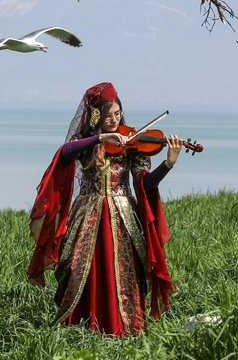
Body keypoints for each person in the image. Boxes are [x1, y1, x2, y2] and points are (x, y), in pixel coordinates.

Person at [26, 81, 194, 336]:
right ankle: (80, 327)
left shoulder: (133, 141)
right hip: (88, 211)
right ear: (97, 117)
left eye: (118, 113)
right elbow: (66, 152)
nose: (115, 119)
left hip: (122, 213)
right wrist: (103, 138)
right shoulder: (86, 143)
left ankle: (123, 327)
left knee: (125, 270)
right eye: (109, 115)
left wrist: (168, 164)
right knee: (77, 267)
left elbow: (145, 183)